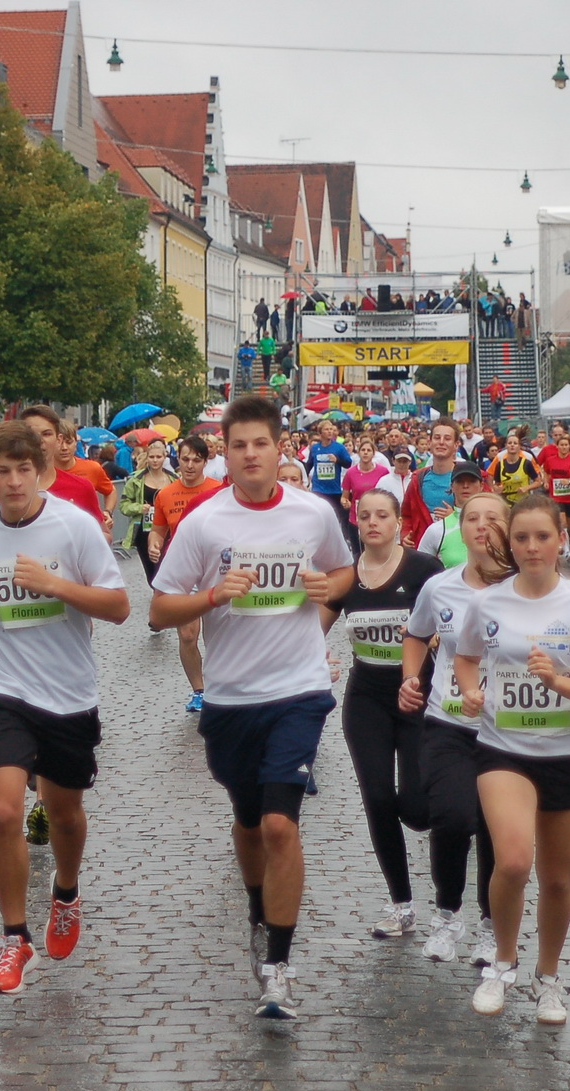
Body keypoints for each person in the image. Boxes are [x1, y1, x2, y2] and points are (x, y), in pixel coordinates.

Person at [151, 395, 354, 1020]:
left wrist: (326, 590)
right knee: (247, 822)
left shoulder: (312, 513)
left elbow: (344, 575)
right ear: (226, 454)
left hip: (298, 690)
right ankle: (255, 907)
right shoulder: (205, 523)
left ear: (279, 447)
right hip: (231, 696)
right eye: (237, 446)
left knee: (279, 825)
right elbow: (161, 610)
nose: (249, 455)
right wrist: (213, 595)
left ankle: (279, 967)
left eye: (259, 444)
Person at [0, 421, 129, 993]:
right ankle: (14, 938)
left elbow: (119, 607)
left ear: (40, 471)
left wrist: (56, 586)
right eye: (1, 472)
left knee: (63, 814)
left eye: (22, 470)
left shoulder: (74, 527)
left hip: (70, 692)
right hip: (5, 687)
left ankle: (67, 890)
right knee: (5, 812)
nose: (12, 482)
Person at [454, 494, 570, 1023]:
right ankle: (502, 963)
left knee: (556, 878)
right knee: (514, 861)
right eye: (521, 538)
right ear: (509, 543)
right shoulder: (489, 602)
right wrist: (470, 691)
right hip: (503, 750)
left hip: (569, 753)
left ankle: (547, 977)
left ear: (561, 538)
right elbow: (464, 657)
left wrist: (557, 682)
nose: (531, 548)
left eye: (541, 537)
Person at [321, 488, 443, 938]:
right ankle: (402, 903)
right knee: (376, 798)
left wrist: (428, 640)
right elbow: (315, 628)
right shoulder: (346, 577)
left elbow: (453, 625)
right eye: (364, 515)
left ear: (398, 523)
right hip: (367, 697)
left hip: (417, 694)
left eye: (382, 516)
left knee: (415, 807)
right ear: (355, 521)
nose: (372, 523)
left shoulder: (424, 570)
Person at [401, 491, 508, 965]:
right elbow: (416, 633)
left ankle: (491, 925)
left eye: (492, 518)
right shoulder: (439, 586)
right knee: (452, 817)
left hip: (508, 732)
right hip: (448, 721)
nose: (481, 526)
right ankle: (447, 913)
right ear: (459, 530)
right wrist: (409, 676)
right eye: (472, 519)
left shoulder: (525, 589)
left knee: (493, 830)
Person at [147, 436, 223, 712]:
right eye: (185, 459)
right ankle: (199, 690)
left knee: (221, 631)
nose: (189, 465)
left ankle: (223, 683)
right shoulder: (165, 494)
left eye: (196, 460)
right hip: (184, 571)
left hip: (216, 568)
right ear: (177, 459)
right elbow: (158, 529)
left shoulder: (218, 490)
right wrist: (154, 543)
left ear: (205, 462)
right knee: (188, 635)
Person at [0, 406, 103, 529]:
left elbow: (102, 536)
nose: (39, 441)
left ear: (58, 440)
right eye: (31, 434)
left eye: (46, 434)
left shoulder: (81, 487)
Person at [119, 440, 175, 586]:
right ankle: (159, 596)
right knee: (152, 575)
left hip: (168, 531)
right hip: (144, 533)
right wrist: (139, 508)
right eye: (152, 457)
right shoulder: (136, 480)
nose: (155, 460)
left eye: (158, 457)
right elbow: (124, 505)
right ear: (147, 458)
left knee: (167, 571)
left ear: (165, 457)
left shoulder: (174, 479)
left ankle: (165, 602)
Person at [400, 420, 465, 548]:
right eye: (437, 438)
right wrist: (405, 534)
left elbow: (484, 515)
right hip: (425, 551)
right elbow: (406, 515)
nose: (441, 442)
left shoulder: (469, 478)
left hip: (457, 548)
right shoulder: (417, 479)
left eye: (447, 438)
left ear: (456, 445)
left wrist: (455, 518)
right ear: (430, 443)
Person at [416, 463, 491, 566]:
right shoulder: (437, 530)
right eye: (460, 481)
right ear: (452, 486)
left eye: (472, 481)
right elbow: (420, 569)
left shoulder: (496, 526)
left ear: (481, 486)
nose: (465, 486)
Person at [304, 420, 355, 543]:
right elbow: (309, 465)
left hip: (334, 489)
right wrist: (304, 480)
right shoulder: (315, 448)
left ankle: (338, 540)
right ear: (320, 432)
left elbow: (348, 463)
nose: (330, 432)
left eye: (331, 429)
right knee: (319, 516)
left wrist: (337, 460)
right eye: (327, 429)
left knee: (336, 517)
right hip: (318, 488)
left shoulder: (339, 447)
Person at [55, 421, 116, 520]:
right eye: (59, 443)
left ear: (76, 443)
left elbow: (111, 491)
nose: (64, 448)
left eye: (69, 442)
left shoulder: (92, 468)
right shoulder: (41, 471)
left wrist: (107, 512)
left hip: (88, 531)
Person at [340, 437, 390, 553]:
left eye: (369, 450)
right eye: (363, 450)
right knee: (358, 552)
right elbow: (344, 496)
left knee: (376, 551)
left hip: (377, 517)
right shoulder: (351, 473)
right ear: (358, 452)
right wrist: (344, 502)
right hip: (356, 518)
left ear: (373, 453)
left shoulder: (383, 471)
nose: (366, 453)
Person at [489, 433, 543, 505]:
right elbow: (496, 484)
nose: (512, 445)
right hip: (506, 502)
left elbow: (538, 482)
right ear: (506, 446)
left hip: (523, 503)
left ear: (519, 446)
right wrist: (496, 488)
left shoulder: (526, 463)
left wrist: (526, 488)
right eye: (509, 443)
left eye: (515, 443)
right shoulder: (500, 465)